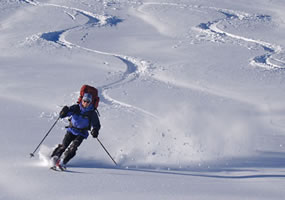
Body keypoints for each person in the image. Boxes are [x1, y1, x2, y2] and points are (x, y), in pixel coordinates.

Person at [50, 93, 101, 170]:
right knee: (64, 145)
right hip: (71, 130)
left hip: (81, 133)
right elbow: (66, 114)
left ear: (90, 102)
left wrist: (95, 130)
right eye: (84, 101)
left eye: (88, 101)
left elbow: (96, 124)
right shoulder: (76, 108)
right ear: (82, 100)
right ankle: (54, 158)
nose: (86, 103)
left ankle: (64, 161)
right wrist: (63, 112)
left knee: (73, 147)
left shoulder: (92, 113)